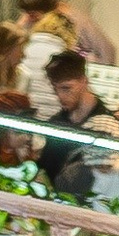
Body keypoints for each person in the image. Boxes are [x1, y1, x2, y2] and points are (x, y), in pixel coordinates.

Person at [39, 50, 105, 202]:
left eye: (66, 88)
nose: (60, 96)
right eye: (56, 89)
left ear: (84, 81)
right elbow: (46, 172)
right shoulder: (56, 123)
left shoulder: (106, 124)